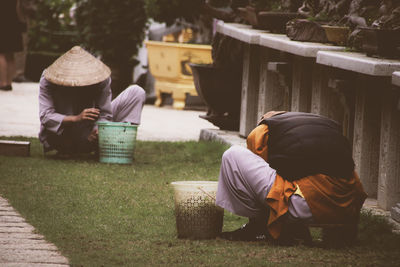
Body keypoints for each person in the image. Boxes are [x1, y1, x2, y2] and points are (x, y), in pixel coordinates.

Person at [216, 111, 368, 245]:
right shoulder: (325, 125)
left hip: (305, 207)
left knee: (233, 155)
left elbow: (257, 154)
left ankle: (260, 226)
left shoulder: (266, 127)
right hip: (346, 209)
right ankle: (335, 232)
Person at [39, 46, 146, 156]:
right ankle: (78, 147)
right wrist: (76, 118)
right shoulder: (48, 78)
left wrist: (98, 129)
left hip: (90, 128)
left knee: (136, 92)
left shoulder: (101, 77)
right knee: (69, 129)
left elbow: (105, 113)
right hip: (62, 134)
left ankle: (118, 145)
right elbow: (45, 116)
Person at [0, 0, 25, 90]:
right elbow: (18, 9)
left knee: (1, 54)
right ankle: (9, 82)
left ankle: (2, 82)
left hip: (2, 23)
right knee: (10, 55)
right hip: (14, 23)